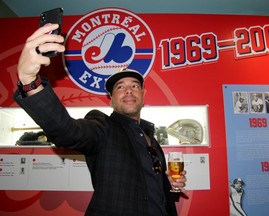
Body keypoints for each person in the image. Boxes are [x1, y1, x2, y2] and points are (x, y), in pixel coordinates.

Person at [13, 24, 187, 216]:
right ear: (110, 99)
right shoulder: (102, 126)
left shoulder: (152, 139)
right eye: (120, 87)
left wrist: (165, 183)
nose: (128, 90)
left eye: (135, 86)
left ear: (143, 95)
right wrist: (29, 81)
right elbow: (68, 132)